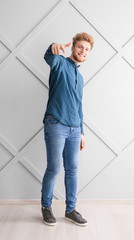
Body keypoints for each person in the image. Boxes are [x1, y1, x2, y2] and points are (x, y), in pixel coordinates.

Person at [41, 32, 94, 227]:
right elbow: (49, 56)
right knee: (54, 168)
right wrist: (53, 45)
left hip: (74, 129)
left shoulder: (80, 77)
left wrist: (81, 132)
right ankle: (46, 207)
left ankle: (70, 209)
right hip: (55, 124)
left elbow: (79, 105)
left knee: (72, 170)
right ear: (72, 47)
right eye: (80, 47)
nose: (83, 51)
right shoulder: (60, 63)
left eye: (87, 49)